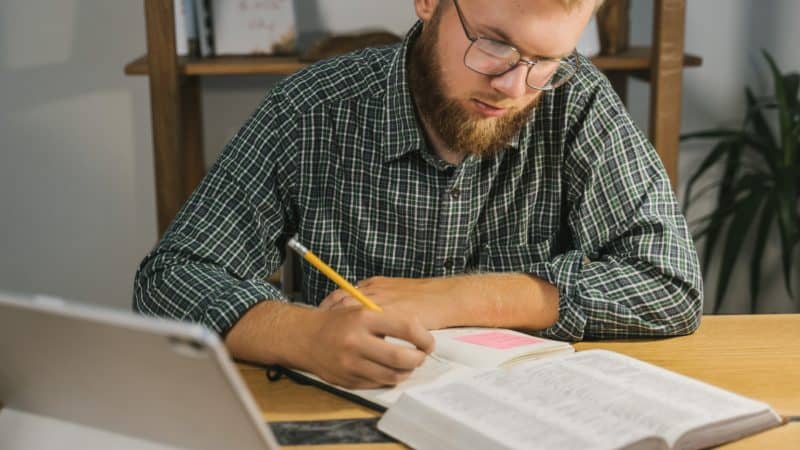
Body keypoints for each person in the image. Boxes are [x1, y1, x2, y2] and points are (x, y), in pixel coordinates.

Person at [133, 0, 703, 389]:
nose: (513, 86)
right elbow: (169, 281)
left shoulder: (576, 101)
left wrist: (455, 298)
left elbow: (670, 284)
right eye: (494, 43)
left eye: (546, 60)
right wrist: (304, 335)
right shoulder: (311, 111)